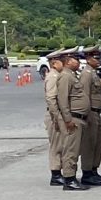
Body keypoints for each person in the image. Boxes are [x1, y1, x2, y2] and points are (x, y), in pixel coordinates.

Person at [57, 48, 90, 191]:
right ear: (68, 61)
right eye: (76, 60)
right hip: (73, 119)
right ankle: (69, 179)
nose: (79, 62)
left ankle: (71, 177)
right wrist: (67, 119)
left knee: (75, 150)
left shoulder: (72, 75)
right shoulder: (65, 76)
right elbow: (62, 100)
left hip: (79, 118)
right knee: (71, 150)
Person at [78, 46, 101, 186]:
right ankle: (87, 173)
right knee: (89, 144)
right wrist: (86, 114)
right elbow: (84, 95)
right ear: (88, 59)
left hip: (96, 112)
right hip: (90, 112)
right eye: (96, 58)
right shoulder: (86, 74)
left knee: (97, 144)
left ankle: (94, 170)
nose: (99, 60)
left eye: (99, 57)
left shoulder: (93, 73)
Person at [43, 49, 65, 187]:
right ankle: (55, 174)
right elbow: (51, 99)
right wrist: (56, 117)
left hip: (58, 114)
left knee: (62, 144)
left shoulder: (59, 75)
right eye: (61, 61)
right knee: (57, 145)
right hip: (54, 115)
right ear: (54, 63)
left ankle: (59, 172)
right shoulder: (53, 76)